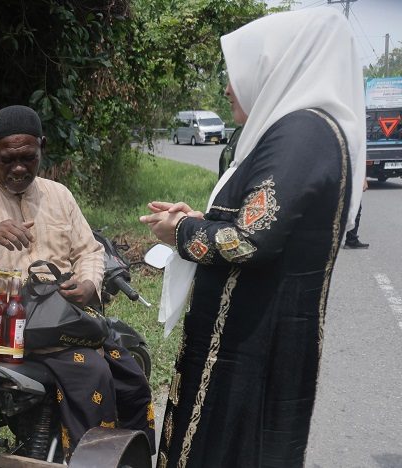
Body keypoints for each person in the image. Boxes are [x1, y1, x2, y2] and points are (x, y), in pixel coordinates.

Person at [139, 8, 365, 468]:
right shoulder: (303, 130)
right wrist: (201, 216)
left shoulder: (301, 133)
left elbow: (249, 241)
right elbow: (268, 221)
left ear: (272, 70)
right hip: (255, 336)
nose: (226, 88)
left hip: (253, 346)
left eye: (235, 74)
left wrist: (182, 232)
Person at [0, 105, 155, 457]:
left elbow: (90, 251)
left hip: (65, 329)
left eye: (28, 157)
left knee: (132, 380)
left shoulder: (59, 196)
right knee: (95, 372)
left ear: (42, 147)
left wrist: (88, 284)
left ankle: (132, 457)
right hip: (4, 337)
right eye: (8, 159)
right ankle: (87, 460)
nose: (19, 168)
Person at [343, 177, 369, 249]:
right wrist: (363, 179)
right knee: (355, 208)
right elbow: (358, 165)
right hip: (350, 177)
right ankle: (351, 240)